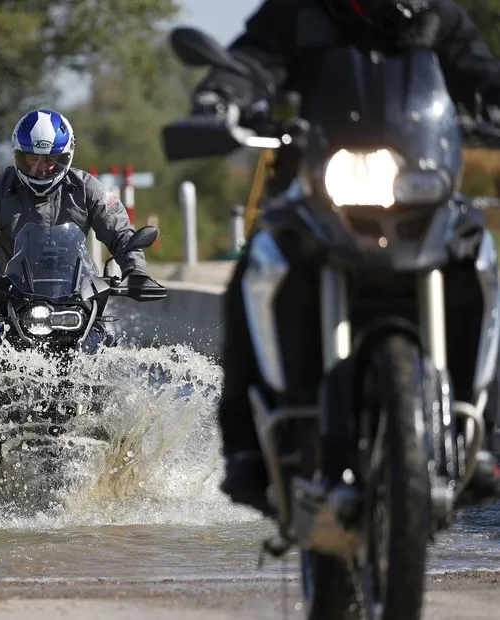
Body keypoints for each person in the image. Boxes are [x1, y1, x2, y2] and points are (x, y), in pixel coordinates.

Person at [189, 0, 500, 515]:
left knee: (479, 261)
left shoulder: (434, 16)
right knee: (255, 270)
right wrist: (223, 94)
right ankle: (244, 447)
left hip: (420, 188)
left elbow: (477, 69)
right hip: (317, 190)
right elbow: (254, 60)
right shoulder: (299, 11)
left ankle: (483, 436)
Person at [0, 108, 165, 343]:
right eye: (33, 159)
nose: (41, 168)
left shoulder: (87, 188)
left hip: (77, 295)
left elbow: (121, 232)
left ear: (65, 156)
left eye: (50, 160)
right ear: (19, 156)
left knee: (104, 351)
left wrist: (135, 271)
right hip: (10, 297)